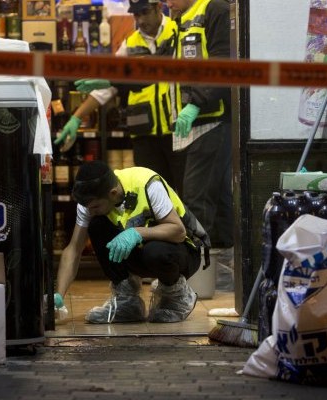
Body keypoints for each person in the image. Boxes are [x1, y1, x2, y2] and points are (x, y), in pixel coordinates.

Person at [54, 0, 186, 193]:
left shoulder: (177, 32)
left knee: (183, 196)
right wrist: (76, 117)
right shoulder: (130, 43)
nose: (140, 20)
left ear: (158, 7)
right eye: (136, 14)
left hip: (177, 132)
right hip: (144, 136)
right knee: (151, 196)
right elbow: (106, 89)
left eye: (144, 13)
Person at [54, 160, 210, 324]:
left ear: (113, 193)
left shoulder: (147, 184)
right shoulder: (89, 202)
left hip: (182, 252)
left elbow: (178, 232)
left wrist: (137, 232)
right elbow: (73, 249)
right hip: (142, 254)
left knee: (155, 251)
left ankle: (177, 297)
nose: (90, 210)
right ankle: (127, 302)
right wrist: (59, 296)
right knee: (96, 226)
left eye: (95, 206)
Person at [166, 0, 234, 288]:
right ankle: (226, 274)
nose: (166, 2)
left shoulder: (213, 10)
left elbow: (222, 63)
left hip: (212, 120)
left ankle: (193, 278)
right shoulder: (179, 22)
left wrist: (195, 103)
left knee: (195, 200)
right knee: (218, 200)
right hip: (194, 124)